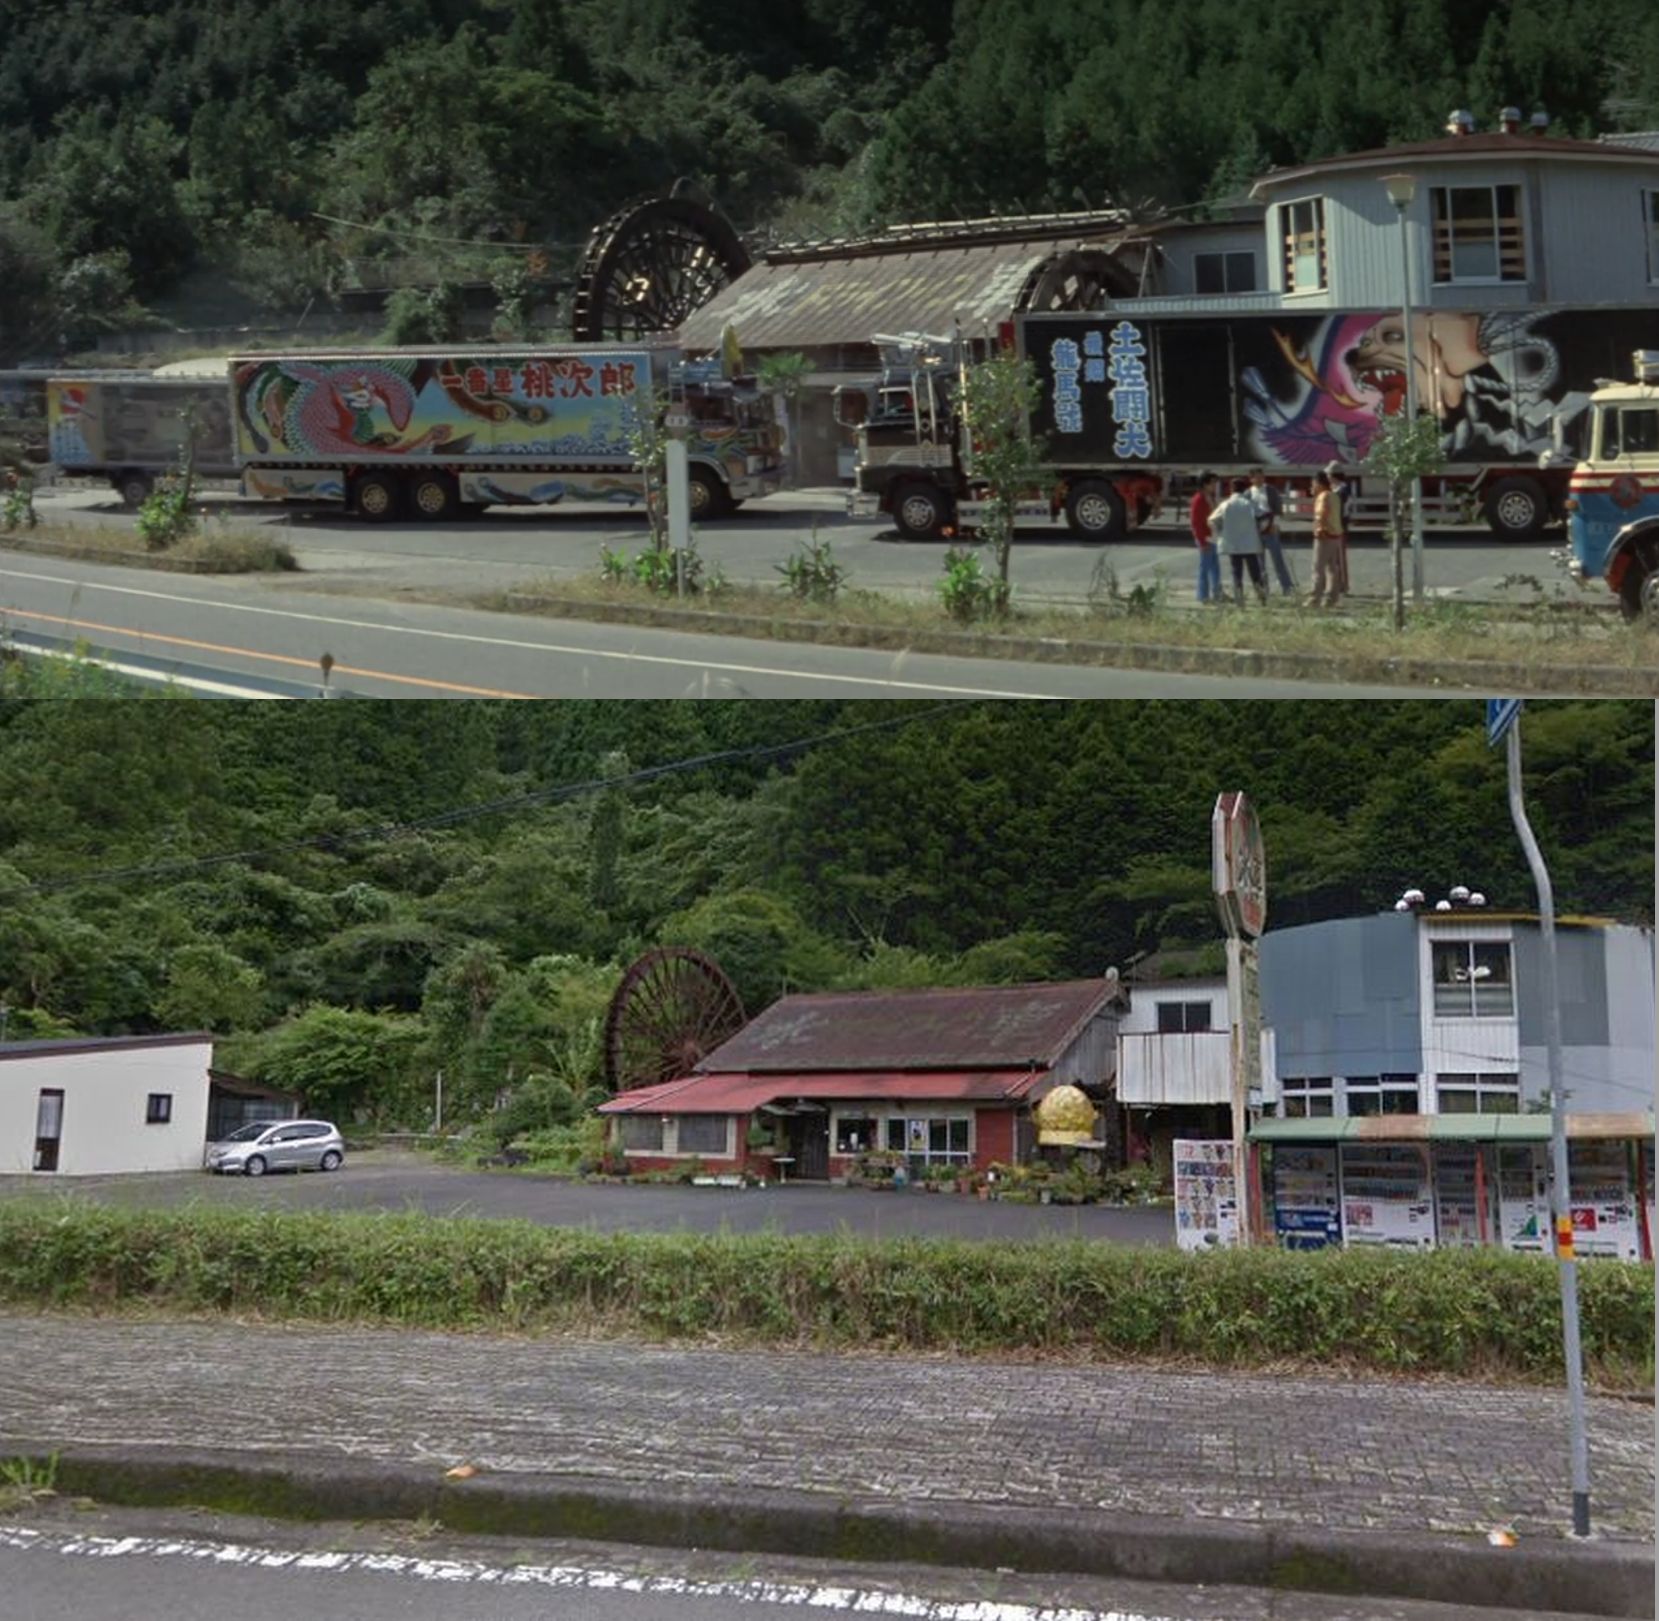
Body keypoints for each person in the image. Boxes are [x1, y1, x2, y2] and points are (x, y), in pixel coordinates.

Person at [1210, 477, 1267, 605]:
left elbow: (1212, 520)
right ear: (1244, 489)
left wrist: (1221, 533)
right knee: (1255, 573)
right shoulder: (1250, 504)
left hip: (1233, 544)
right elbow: (1264, 516)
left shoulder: (1226, 504)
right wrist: (1259, 530)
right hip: (1250, 544)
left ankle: (1239, 600)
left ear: (1231, 489)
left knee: (1236, 573)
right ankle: (1261, 597)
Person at [1249, 469, 1294, 594]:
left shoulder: (1271, 490)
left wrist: (1276, 524)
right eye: (1256, 477)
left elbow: (1278, 508)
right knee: (1259, 561)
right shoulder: (1248, 493)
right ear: (1251, 479)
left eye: (1261, 477)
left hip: (1271, 528)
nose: (1259, 480)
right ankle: (1264, 588)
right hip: (1256, 530)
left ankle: (1287, 586)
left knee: (1278, 559)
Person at [1308, 470, 1349, 607]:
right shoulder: (1334, 496)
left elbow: (1321, 515)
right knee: (1332, 568)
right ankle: (1332, 598)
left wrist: (1319, 531)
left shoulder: (1323, 497)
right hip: (1336, 535)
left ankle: (1315, 598)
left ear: (1318, 483)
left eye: (1313, 484)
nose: (1312, 487)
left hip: (1325, 536)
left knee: (1318, 567)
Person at [1189, 472, 1220, 604]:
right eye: (1212, 483)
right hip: (1205, 538)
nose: (1214, 486)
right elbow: (1196, 523)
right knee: (1205, 568)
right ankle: (1203, 596)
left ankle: (1217, 593)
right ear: (1205, 484)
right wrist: (1202, 542)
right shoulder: (1199, 499)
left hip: (1212, 537)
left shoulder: (1210, 498)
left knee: (1215, 568)